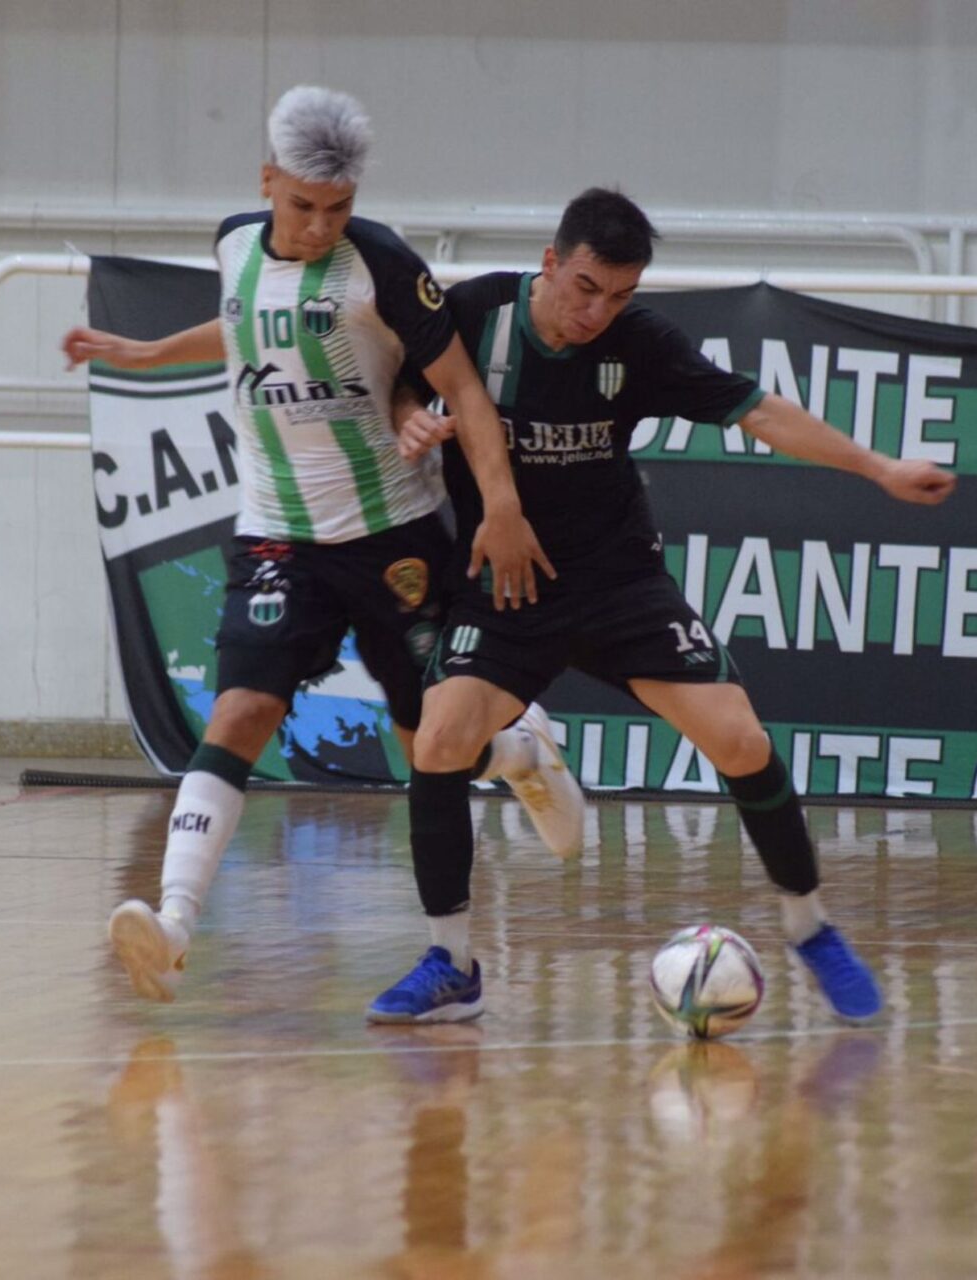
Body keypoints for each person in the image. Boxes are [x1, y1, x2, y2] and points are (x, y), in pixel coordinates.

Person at [367, 187, 956, 1025]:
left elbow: (761, 413)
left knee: (741, 739)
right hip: (508, 585)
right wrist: (408, 419)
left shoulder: (639, 343)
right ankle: (452, 964)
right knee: (437, 741)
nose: (597, 312)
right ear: (550, 263)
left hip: (619, 584)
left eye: (620, 295)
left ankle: (810, 927)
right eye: (585, 288)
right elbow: (395, 382)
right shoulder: (475, 314)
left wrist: (880, 468)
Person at [61, 86, 585, 1003]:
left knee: (432, 744)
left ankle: (518, 751)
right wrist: (144, 354)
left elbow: (462, 387)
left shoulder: (380, 264)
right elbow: (243, 328)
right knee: (239, 714)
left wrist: (498, 506)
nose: (319, 225)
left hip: (393, 538)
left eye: (337, 207)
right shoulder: (233, 244)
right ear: (266, 181)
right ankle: (174, 922)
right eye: (302, 205)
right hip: (277, 538)